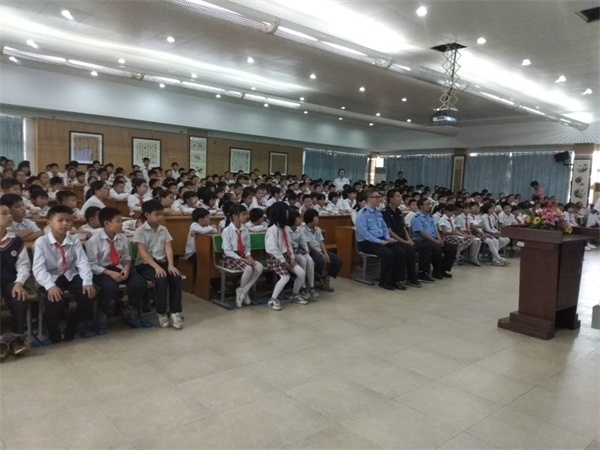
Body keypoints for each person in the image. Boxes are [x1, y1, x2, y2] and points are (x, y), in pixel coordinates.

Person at [32, 205, 96, 343]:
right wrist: (50, 286)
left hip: (69, 274)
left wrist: (87, 282)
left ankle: (73, 323)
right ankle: (52, 330)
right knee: (55, 300)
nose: (65, 224)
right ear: (49, 222)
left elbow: (82, 262)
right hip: (50, 276)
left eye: (68, 220)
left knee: (88, 295)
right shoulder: (41, 242)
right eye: (60, 220)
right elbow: (38, 269)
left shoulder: (74, 240)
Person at [86, 207, 150, 330]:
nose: (121, 224)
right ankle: (101, 313)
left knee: (139, 282)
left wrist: (126, 268)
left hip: (119, 267)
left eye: (121, 221)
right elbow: (91, 265)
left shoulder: (122, 238)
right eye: (118, 221)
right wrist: (110, 273)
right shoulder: (94, 241)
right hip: (102, 271)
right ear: (107, 223)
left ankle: (131, 311)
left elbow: (126, 257)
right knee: (110, 287)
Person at [133, 200, 183, 329]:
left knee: (176, 277)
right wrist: (156, 267)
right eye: (157, 214)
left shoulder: (163, 229)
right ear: (147, 215)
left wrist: (171, 265)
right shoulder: (140, 231)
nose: (160, 217)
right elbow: (142, 253)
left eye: (161, 214)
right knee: (161, 278)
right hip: (145, 264)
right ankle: (161, 312)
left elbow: (168, 247)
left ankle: (175, 312)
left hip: (161, 261)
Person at [355, 189, 409, 290]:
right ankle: (385, 281)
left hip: (381, 240)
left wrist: (388, 238)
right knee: (388, 254)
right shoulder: (362, 214)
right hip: (368, 243)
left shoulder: (378, 213)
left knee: (400, 251)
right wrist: (380, 241)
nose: (379, 199)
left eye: (379, 197)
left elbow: (384, 227)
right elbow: (364, 233)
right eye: (376, 197)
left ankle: (397, 280)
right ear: (369, 199)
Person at [264, 202, 307, 311]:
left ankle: (295, 295)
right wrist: (284, 261)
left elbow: (289, 244)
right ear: (281, 213)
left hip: (285, 256)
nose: (288, 213)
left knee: (301, 273)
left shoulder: (285, 228)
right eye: (286, 211)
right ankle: (272, 300)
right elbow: (273, 248)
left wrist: (292, 257)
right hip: (274, 257)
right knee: (285, 277)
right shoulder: (272, 229)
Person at [0, 204, 30, 352]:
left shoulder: (15, 240)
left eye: (9, 213)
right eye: (4, 213)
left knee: (20, 298)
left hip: (10, 281)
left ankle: (17, 340)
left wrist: (19, 283)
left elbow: (23, 265)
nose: (9, 216)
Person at [221, 204, 264, 308]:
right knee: (248, 269)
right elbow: (227, 250)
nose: (247, 216)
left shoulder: (245, 229)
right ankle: (243, 292)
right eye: (243, 214)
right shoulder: (227, 230)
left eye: (246, 214)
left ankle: (243, 291)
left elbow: (247, 247)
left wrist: (248, 256)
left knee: (259, 267)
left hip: (242, 255)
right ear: (235, 216)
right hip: (231, 256)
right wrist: (240, 258)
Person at [382, 189, 421, 287]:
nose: (400, 199)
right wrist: (404, 241)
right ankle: (398, 279)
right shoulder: (385, 212)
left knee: (412, 248)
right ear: (391, 199)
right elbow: (389, 231)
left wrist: (409, 240)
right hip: (392, 239)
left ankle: (412, 277)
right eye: (398, 196)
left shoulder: (399, 212)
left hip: (402, 238)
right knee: (403, 251)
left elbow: (403, 228)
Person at [411, 198, 456, 280]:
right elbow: (422, 233)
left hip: (432, 239)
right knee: (436, 248)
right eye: (427, 204)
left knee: (451, 248)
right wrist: (435, 241)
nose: (429, 206)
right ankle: (427, 272)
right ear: (421, 206)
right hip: (421, 240)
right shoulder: (416, 217)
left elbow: (435, 229)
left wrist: (439, 239)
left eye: (430, 204)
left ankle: (442, 269)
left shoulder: (430, 217)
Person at [303, 208, 343, 291]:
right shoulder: (303, 230)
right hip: (311, 252)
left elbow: (321, 242)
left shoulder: (318, 229)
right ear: (310, 218)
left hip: (320, 250)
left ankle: (326, 278)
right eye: (316, 217)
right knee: (320, 261)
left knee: (338, 261)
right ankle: (316, 280)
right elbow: (309, 245)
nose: (318, 219)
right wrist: (321, 254)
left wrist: (326, 253)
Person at [288, 209, 317, 300]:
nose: (300, 220)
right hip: (291, 253)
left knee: (309, 259)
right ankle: (303, 287)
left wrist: (306, 252)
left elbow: (303, 242)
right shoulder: (286, 230)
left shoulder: (299, 230)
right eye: (298, 218)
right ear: (292, 219)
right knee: (303, 260)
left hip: (300, 250)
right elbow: (288, 246)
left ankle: (311, 286)